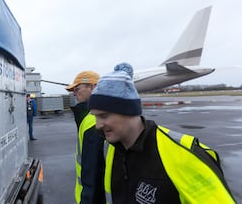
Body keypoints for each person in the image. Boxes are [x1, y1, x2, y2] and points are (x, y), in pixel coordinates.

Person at [88, 62, 236, 204]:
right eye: (95, 116)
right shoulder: (111, 150)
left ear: (128, 111)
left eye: (104, 116)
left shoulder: (184, 156)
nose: (98, 125)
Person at [66, 71, 105, 204]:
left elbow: (93, 173)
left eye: (77, 89)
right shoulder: (89, 116)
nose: (74, 94)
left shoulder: (93, 122)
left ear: (93, 87)